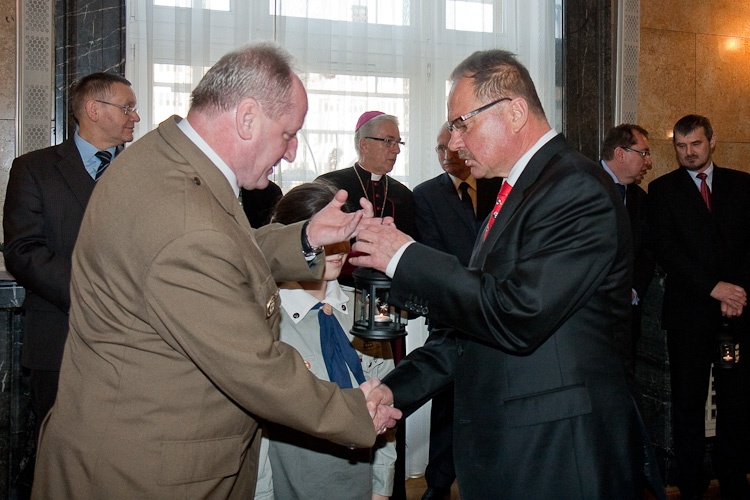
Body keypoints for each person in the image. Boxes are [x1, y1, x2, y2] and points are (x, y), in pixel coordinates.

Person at [30, 42, 400, 499]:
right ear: (247, 118)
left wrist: (305, 237)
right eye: (287, 134)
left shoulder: (167, 158)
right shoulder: (184, 217)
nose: (291, 153)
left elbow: (224, 249)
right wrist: (356, 412)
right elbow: (255, 367)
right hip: (147, 473)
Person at [350, 49, 653, 499]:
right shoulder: (520, 188)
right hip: (515, 448)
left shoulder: (575, 186)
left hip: (558, 452)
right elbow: (470, 328)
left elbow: (518, 313)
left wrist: (406, 257)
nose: (455, 143)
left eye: (462, 124)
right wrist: (395, 391)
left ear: (514, 112)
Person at [3, 72, 140, 446]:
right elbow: (23, 250)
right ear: (94, 110)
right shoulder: (35, 168)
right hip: (60, 339)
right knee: (60, 454)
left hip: (137, 344)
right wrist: (94, 295)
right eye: (127, 107)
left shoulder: (146, 172)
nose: (136, 116)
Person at [257, 181, 396, 500]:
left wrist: (381, 486)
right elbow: (258, 432)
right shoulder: (266, 320)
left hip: (360, 484)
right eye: (324, 236)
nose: (336, 248)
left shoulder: (368, 307)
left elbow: (387, 397)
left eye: (342, 233)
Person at [648, 114, 750, 500]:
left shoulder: (743, 185)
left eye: (696, 144)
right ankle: (691, 481)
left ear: (712, 141)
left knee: (736, 401)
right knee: (688, 402)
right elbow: (666, 250)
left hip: (736, 314)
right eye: (681, 146)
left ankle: (733, 476)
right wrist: (714, 288)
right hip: (689, 316)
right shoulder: (662, 190)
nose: (688, 152)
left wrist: (736, 293)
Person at [411, 124, 502, 499]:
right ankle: (438, 483)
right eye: (439, 148)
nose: (446, 155)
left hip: (497, 312)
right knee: (447, 403)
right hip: (450, 314)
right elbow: (434, 254)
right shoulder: (425, 194)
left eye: (451, 147)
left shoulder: (498, 186)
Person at [599, 124, 655, 363]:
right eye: (643, 153)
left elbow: (647, 252)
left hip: (626, 319)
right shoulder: (583, 185)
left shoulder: (641, 199)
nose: (648, 162)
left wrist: (632, 292)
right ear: (620, 153)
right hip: (587, 317)